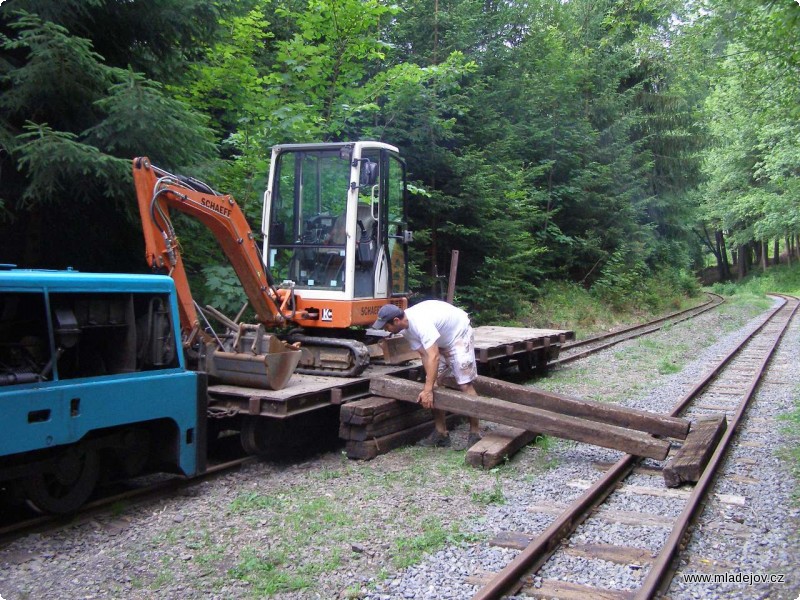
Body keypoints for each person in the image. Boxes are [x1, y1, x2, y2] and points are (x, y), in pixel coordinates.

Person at [373, 301, 482, 448]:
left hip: (459, 335)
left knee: (464, 384)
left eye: (387, 326)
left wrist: (428, 389)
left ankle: (475, 433)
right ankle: (441, 433)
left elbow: (434, 356)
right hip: (441, 340)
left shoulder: (420, 323)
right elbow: (424, 354)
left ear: (396, 321)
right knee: (434, 384)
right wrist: (430, 384)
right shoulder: (405, 330)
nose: (387, 330)